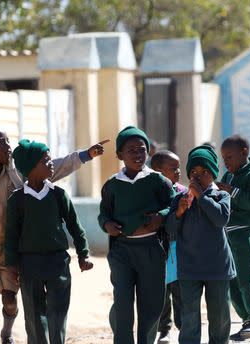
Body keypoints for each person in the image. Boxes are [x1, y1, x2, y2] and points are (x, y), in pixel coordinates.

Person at [0, 124, 107, 344]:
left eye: (7, 140)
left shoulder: (19, 176)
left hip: (16, 250)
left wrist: (85, 155)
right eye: (1, 143)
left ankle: (6, 334)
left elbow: (54, 167)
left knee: (10, 299)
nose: (8, 145)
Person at [4, 140, 94, 344]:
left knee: (57, 313)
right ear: (30, 168)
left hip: (58, 263)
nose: (51, 163)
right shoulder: (17, 200)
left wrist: (83, 254)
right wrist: (11, 264)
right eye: (45, 160)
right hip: (29, 265)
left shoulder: (58, 195)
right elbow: (11, 235)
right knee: (34, 316)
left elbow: (74, 225)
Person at [98, 126, 175, 344]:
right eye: (131, 150)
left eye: (141, 149)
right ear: (119, 155)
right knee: (122, 304)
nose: (137, 154)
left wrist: (161, 216)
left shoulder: (159, 182)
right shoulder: (112, 185)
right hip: (122, 251)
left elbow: (173, 206)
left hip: (152, 249)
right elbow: (103, 213)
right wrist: (107, 224)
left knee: (151, 306)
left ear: (148, 152)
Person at [166, 145, 235, 344]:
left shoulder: (221, 196)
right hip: (189, 267)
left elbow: (221, 219)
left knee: (219, 316)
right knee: (189, 317)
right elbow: (170, 230)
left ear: (213, 174)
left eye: (204, 172)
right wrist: (178, 213)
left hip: (218, 267)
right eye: (194, 172)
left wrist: (202, 197)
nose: (197, 176)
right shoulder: (180, 199)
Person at [216, 135, 250, 340]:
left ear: (244, 153)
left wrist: (232, 192)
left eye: (229, 157)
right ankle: (247, 321)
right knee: (231, 280)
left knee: (246, 276)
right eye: (223, 158)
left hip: (244, 233)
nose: (226, 162)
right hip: (227, 234)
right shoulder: (228, 175)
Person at [151, 150, 185, 343]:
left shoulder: (181, 191)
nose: (178, 171)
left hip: (178, 249)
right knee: (162, 294)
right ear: (158, 172)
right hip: (158, 250)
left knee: (180, 292)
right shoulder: (151, 192)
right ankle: (164, 330)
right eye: (173, 169)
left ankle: (184, 327)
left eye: (179, 167)